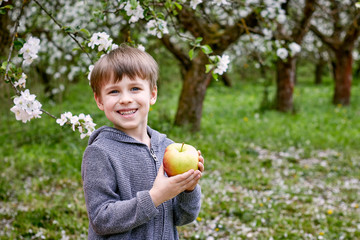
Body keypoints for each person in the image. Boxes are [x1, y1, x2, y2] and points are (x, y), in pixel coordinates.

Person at [82, 44, 205, 239]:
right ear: (99, 100)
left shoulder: (167, 147)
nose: (125, 99)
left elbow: (184, 217)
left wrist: (189, 188)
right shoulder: (100, 152)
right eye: (114, 91)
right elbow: (101, 219)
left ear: (152, 94)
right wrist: (155, 197)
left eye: (135, 88)